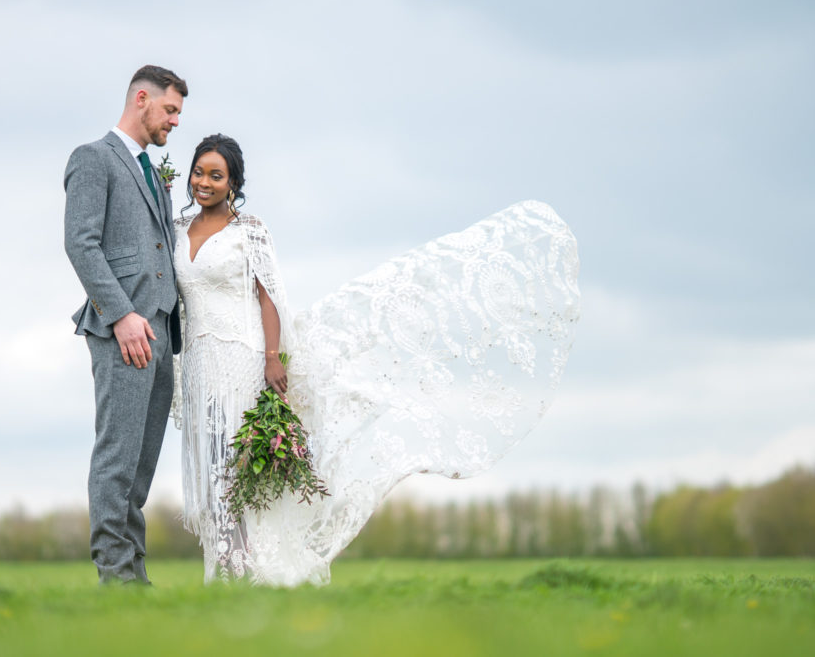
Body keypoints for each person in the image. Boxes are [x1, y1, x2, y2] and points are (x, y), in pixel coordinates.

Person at [173, 134, 581, 586]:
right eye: (198, 172)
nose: (204, 182)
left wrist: (273, 357)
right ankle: (221, 571)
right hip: (198, 366)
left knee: (237, 473)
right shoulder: (177, 229)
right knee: (210, 476)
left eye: (216, 175)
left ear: (233, 183)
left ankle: (247, 573)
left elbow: (269, 298)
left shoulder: (248, 230)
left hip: (243, 361)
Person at [64, 65, 187, 585]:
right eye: (170, 110)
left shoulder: (151, 171)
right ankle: (116, 580)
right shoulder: (94, 158)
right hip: (123, 334)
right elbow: (80, 243)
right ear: (142, 99)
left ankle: (136, 576)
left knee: (140, 468)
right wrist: (121, 316)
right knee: (117, 458)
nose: (175, 122)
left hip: (162, 333)